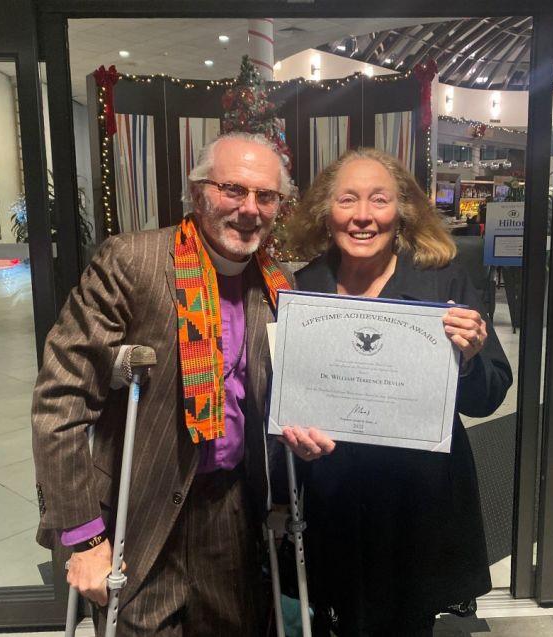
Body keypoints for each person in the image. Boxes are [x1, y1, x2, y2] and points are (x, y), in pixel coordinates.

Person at [31, 132, 333, 635]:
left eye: (266, 196)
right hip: (141, 507)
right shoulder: (131, 262)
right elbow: (59, 400)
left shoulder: (279, 285)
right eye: (232, 189)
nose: (250, 209)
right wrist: (83, 538)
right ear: (197, 193)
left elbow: (281, 400)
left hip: (231, 512)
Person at [284, 148, 512, 637]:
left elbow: (489, 396)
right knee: (336, 615)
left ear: (401, 211)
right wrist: (289, 432)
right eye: (348, 200)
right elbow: (286, 393)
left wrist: (471, 358)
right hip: (334, 492)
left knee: (409, 621)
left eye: (379, 200)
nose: (363, 216)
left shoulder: (443, 283)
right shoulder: (302, 290)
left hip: (419, 497)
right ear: (327, 213)